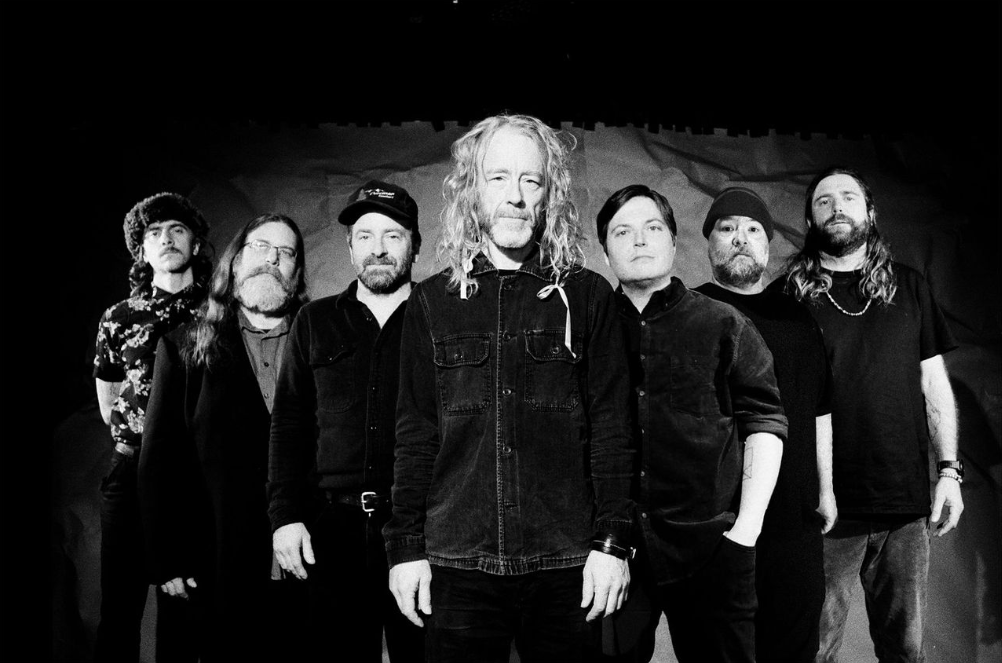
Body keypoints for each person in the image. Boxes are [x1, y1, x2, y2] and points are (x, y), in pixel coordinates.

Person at [383, 114, 635, 663]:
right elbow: (415, 435)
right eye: (497, 178)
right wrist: (404, 549)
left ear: (549, 195)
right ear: (472, 190)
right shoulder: (431, 302)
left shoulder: (588, 296)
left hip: (567, 562)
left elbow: (613, 430)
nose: (515, 196)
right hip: (456, 563)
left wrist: (612, 544)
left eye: (531, 180)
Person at [597, 184, 787, 663]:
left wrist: (746, 531)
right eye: (623, 232)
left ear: (673, 241)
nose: (639, 240)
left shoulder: (724, 323)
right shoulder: (590, 330)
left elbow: (765, 423)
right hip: (615, 553)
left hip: (711, 550)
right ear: (605, 250)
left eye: (652, 228)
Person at [783, 166, 963, 663]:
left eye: (848, 197)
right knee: (814, 650)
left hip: (903, 504)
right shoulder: (788, 297)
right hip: (824, 509)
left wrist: (949, 473)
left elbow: (935, 385)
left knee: (905, 651)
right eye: (823, 201)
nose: (836, 207)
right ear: (809, 219)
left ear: (869, 212)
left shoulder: (909, 287)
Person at [139, 214, 309, 662]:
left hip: (307, 564)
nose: (271, 260)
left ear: (297, 272)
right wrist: (166, 558)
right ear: (234, 262)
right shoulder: (183, 347)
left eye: (285, 252)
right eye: (259, 247)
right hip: (216, 560)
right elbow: (158, 461)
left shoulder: (321, 344)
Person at [268, 181, 425, 662]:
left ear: (415, 244)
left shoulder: (439, 318)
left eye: (393, 235)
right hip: (332, 531)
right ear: (350, 247)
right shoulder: (314, 321)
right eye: (365, 235)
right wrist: (284, 516)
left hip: (421, 528)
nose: (378, 248)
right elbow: (289, 423)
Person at [694, 187, 836, 662]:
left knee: (794, 650)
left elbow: (820, 408)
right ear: (709, 242)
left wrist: (827, 491)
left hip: (793, 527)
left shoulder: (798, 318)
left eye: (753, 229)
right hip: (718, 525)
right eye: (727, 228)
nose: (741, 238)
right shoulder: (690, 311)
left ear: (767, 244)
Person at [92, 192, 212, 663]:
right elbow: (108, 404)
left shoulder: (218, 312)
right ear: (142, 251)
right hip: (130, 471)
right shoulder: (118, 318)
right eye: (154, 233)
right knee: (118, 611)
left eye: (177, 230)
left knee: (183, 611)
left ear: (196, 244)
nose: (166, 239)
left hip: (192, 479)